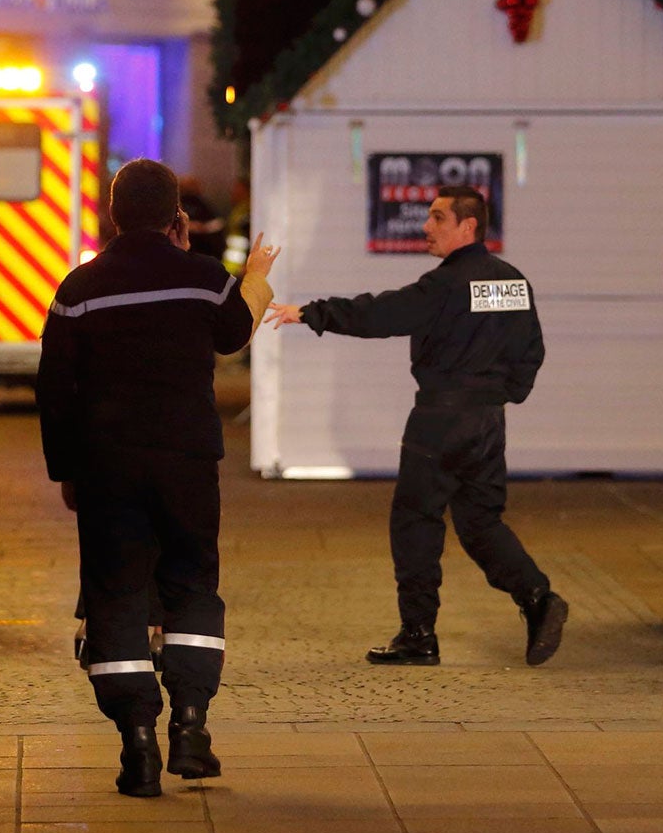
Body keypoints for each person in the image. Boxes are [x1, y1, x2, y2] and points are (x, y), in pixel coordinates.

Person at [38, 159, 279, 798]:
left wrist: (66, 471)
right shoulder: (202, 279)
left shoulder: (79, 288)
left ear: (114, 215)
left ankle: (137, 745)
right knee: (193, 586)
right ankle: (192, 727)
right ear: (177, 217)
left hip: (107, 468)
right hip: (187, 465)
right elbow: (235, 333)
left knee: (117, 594)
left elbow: (54, 389)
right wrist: (255, 279)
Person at [266, 188, 566, 669]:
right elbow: (531, 350)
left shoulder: (444, 285)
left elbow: (381, 313)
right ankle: (538, 597)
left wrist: (311, 312)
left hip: (439, 420)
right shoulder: (513, 282)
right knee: (481, 522)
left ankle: (418, 635)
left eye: (438, 217)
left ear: (468, 226)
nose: (427, 227)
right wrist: (501, 394)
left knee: (415, 522)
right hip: (487, 422)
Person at [177, 176, 227, 260]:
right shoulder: (180, 204)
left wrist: (202, 227)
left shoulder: (202, 204)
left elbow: (216, 222)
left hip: (201, 248)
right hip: (194, 250)